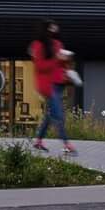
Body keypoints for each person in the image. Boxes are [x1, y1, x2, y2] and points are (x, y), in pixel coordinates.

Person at [27, 20, 76, 155]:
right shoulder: (38, 45)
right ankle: (67, 144)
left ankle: (38, 141)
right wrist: (56, 58)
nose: (54, 32)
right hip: (47, 85)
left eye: (55, 29)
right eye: (51, 29)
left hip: (59, 83)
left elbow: (60, 65)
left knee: (50, 115)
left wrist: (67, 61)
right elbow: (40, 67)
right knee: (58, 114)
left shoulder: (58, 44)